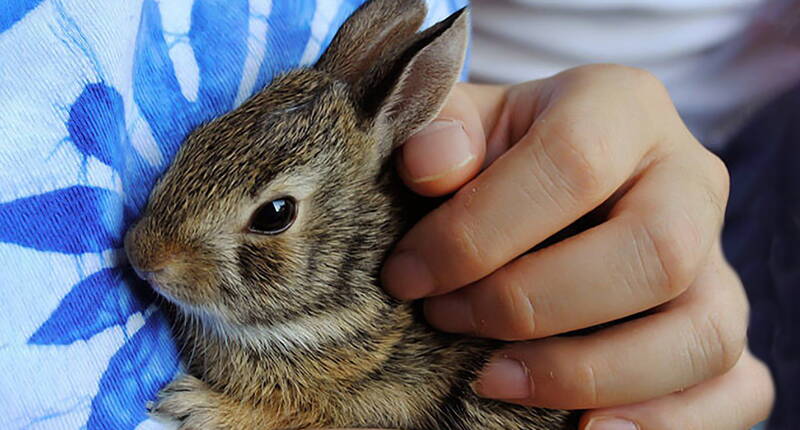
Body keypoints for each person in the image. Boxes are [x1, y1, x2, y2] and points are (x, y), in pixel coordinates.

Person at [0, 0, 787, 429]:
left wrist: (608, 166)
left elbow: (388, 396)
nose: (154, 251)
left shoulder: (385, 317)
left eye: (273, 215)